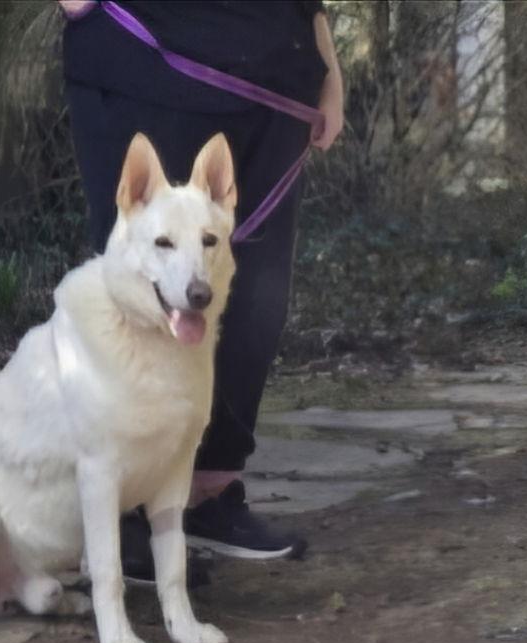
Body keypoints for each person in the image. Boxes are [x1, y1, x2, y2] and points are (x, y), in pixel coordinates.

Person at [58, 0, 344, 578]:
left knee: (255, 296)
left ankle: (207, 496)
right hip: (146, 58)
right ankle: (120, 516)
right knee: (143, 293)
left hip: (274, 75)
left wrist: (326, 62)